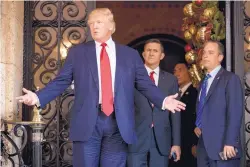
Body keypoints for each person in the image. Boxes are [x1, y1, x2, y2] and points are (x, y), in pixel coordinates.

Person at [16, 8, 185, 167]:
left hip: (118, 124)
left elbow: (144, 83)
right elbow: (62, 81)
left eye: (98, 22)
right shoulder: (78, 53)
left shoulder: (129, 55)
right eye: (91, 23)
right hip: (88, 122)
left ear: (111, 26)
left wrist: (162, 100)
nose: (94, 26)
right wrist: (38, 97)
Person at [127, 39, 181, 167]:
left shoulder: (171, 80)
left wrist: (176, 143)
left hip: (161, 138)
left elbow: (175, 114)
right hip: (136, 137)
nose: (151, 53)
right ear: (143, 54)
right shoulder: (131, 76)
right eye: (148, 50)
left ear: (161, 56)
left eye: (155, 51)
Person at [194, 40, 243, 167]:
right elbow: (204, 108)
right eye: (204, 52)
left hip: (223, 147)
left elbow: (235, 112)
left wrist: (230, 142)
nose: (205, 56)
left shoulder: (230, 79)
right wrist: (198, 125)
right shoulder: (203, 82)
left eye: (210, 53)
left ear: (220, 57)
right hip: (203, 146)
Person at [170, 62, 198, 167]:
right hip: (175, 144)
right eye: (174, 71)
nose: (176, 74)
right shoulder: (173, 94)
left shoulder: (196, 92)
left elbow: (198, 119)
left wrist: (195, 143)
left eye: (180, 70)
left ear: (189, 72)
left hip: (189, 145)